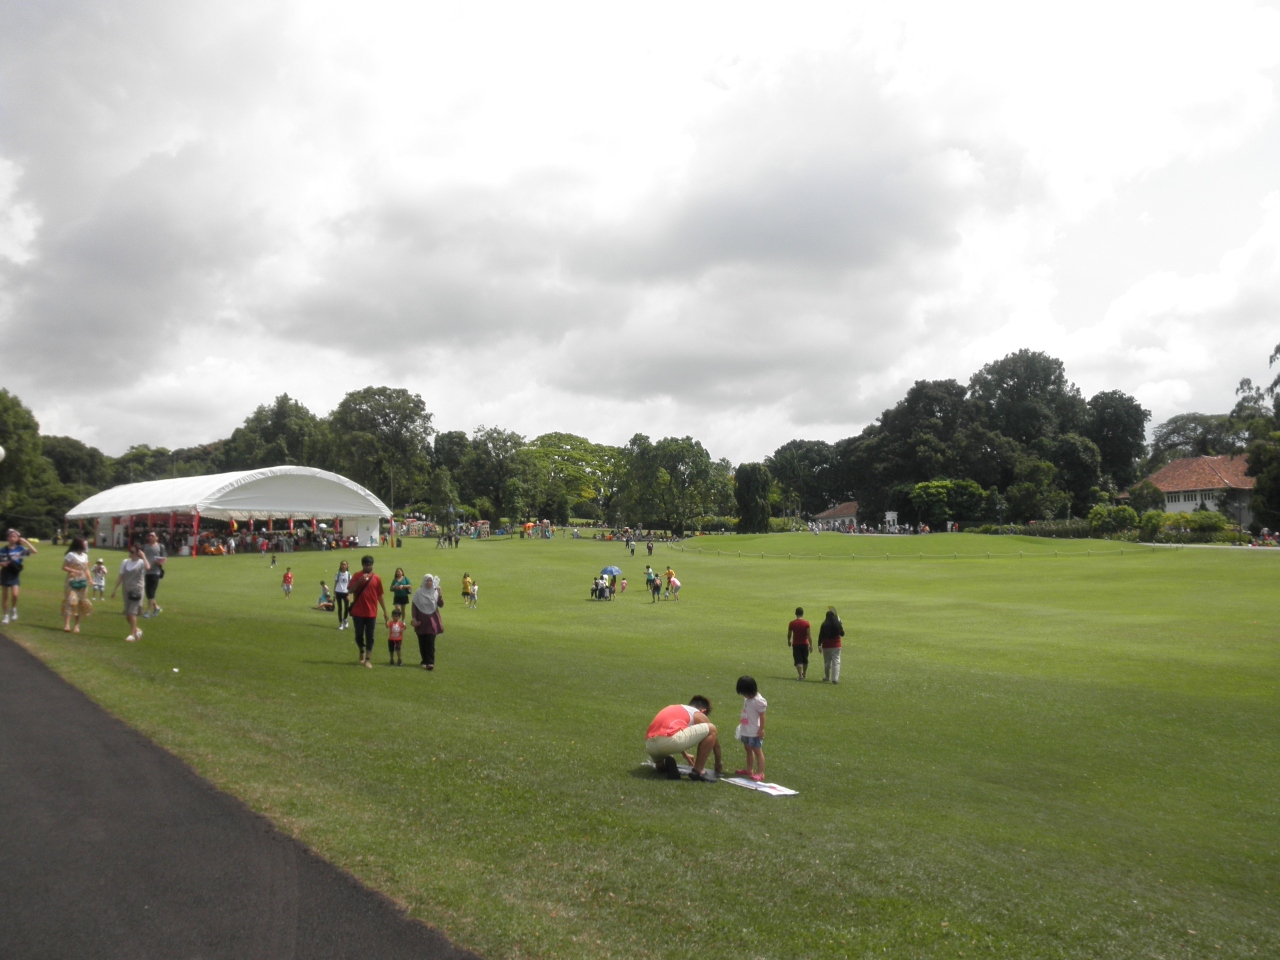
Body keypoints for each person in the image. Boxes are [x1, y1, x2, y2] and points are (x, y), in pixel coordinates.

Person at [645, 696, 722, 781]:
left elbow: (672, 731)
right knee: (712, 729)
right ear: (703, 711)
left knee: (661, 758)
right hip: (668, 741)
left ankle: (662, 764)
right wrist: (718, 763)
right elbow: (715, 743)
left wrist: (685, 755)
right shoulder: (697, 713)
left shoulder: (675, 708)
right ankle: (698, 770)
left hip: (650, 746)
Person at [347, 555, 388, 668]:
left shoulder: (376, 578)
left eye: (370, 565)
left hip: (371, 612)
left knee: (370, 636)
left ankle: (368, 659)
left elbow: (380, 595)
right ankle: (362, 649)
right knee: (358, 634)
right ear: (362, 565)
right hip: (358, 612)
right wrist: (359, 581)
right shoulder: (357, 576)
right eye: (366, 565)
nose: (368, 567)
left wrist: (385, 610)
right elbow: (350, 590)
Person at [110, 542, 150, 642]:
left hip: (137, 589)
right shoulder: (125, 562)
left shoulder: (141, 562)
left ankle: (132, 635)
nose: (130, 553)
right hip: (126, 589)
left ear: (138, 553)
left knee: (132, 613)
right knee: (127, 614)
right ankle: (137, 630)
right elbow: (121, 576)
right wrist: (115, 590)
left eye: (132, 552)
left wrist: (143, 556)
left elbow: (148, 567)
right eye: (130, 551)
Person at [1, 528, 38, 625]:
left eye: (14, 536)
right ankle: (5, 616)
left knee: (15, 594)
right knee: (5, 596)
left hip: (14, 573)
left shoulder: (20, 549)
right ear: (7, 538)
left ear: (18, 538)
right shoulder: (3, 550)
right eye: (10, 536)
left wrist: (25, 542)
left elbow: (34, 551)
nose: (12, 538)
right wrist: (2, 564)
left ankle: (13, 609)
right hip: (5, 573)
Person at [734, 676, 767, 782]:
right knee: (748, 749)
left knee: (757, 751)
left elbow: (762, 716)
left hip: (754, 731)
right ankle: (749, 770)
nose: (744, 696)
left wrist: (761, 729)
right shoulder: (747, 699)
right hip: (746, 730)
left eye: (745, 693)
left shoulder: (759, 701)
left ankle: (760, 773)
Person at [409, 573, 444, 670]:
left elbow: (441, 605)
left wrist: (440, 595)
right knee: (422, 641)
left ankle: (430, 662)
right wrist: (414, 618)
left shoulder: (435, 592)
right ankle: (424, 661)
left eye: (430, 581)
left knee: (430, 641)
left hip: (432, 620)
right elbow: (414, 606)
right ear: (424, 581)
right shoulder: (419, 592)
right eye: (427, 581)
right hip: (421, 619)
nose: (429, 583)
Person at [62, 537, 92, 633]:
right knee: (71, 601)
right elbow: (64, 567)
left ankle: (77, 625)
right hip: (71, 581)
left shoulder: (85, 556)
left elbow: (86, 569)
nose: (86, 545)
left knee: (81, 603)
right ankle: (67, 624)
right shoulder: (71, 555)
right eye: (84, 544)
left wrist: (90, 579)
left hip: (82, 582)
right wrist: (74, 571)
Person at [142, 531, 167, 618]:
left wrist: (160, 561)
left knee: (151, 592)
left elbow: (164, 559)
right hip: (146, 572)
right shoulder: (145, 546)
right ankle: (156, 608)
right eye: (149, 535)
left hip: (155, 572)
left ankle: (148, 612)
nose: (150, 537)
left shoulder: (160, 547)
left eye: (152, 535)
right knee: (148, 593)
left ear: (157, 538)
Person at [818, 606, 844, 684]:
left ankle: (827, 677)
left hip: (826, 646)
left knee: (827, 663)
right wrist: (840, 624)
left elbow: (821, 636)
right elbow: (842, 634)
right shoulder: (837, 624)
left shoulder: (824, 624)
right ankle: (835, 679)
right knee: (836, 662)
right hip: (836, 645)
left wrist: (819, 645)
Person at [787, 607, 811, 681]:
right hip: (805, 643)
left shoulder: (792, 623)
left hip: (796, 644)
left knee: (798, 660)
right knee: (805, 659)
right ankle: (804, 673)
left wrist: (789, 640)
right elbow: (808, 634)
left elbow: (789, 633)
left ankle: (800, 675)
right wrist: (811, 645)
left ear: (795, 613)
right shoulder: (807, 623)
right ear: (803, 613)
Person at [334, 560, 351, 630]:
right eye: (342, 564)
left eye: (345, 564)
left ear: (347, 566)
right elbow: (335, 583)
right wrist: (334, 594)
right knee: (340, 608)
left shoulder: (349, 574)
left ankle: (345, 618)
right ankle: (340, 623)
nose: (343, 566)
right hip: (338, 592)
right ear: (340, 566)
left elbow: (350, 585)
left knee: (347, 607)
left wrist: (349, 594)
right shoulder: (338, 574)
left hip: (346, 592)